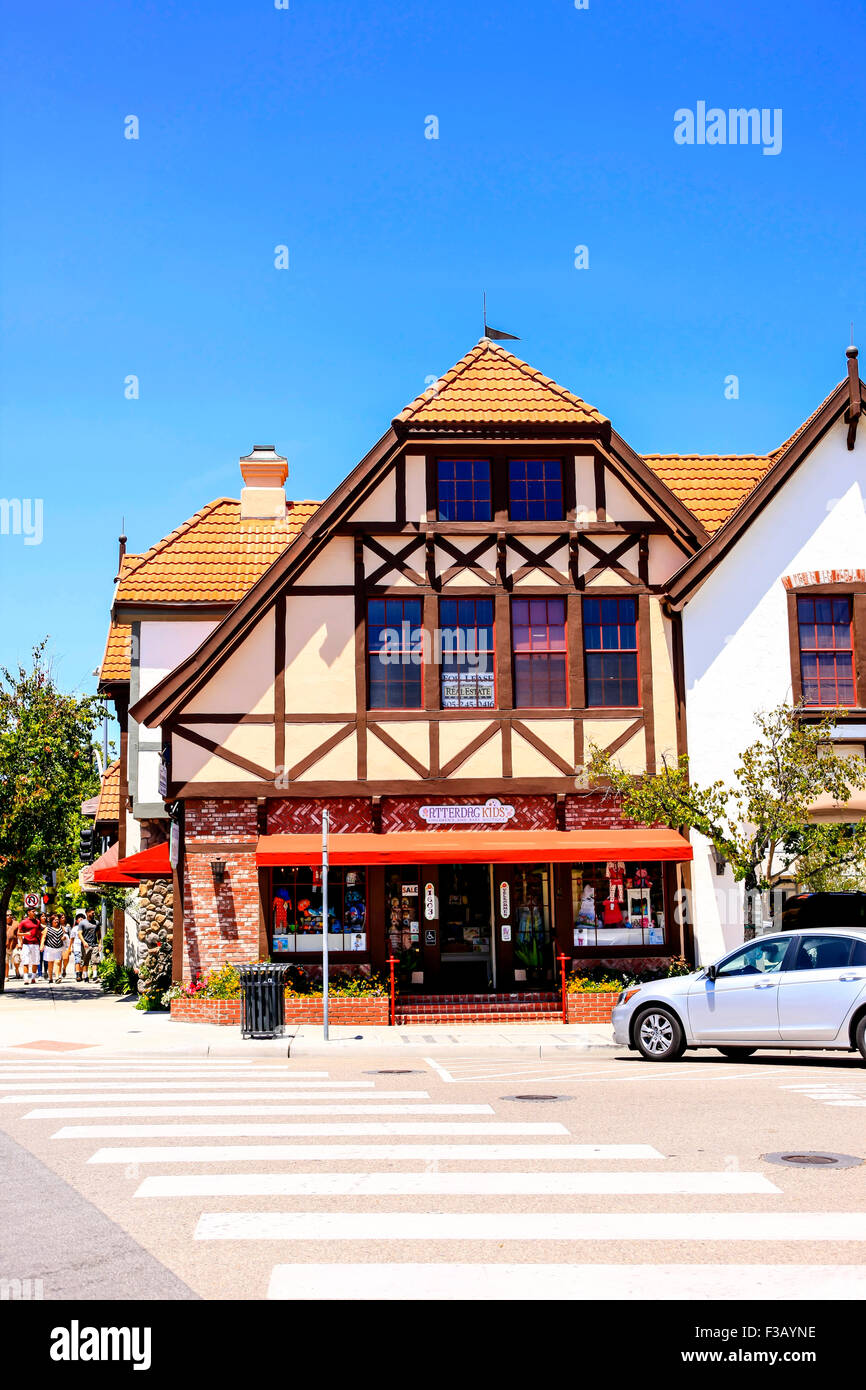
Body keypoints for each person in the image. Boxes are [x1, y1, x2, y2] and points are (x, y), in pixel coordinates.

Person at [17, 907, 42, 984]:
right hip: (26, 944)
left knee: (35, 961)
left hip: (35, 944)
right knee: (26, 961)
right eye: (33, 911)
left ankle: (33, 978)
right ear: (28, 912)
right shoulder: (23, 922)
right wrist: (25, 934)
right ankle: (26, 978)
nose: (34, 913)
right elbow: (18, 933)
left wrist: (41, 943)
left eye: (35, 911)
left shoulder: (37, 922)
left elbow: (40, 931)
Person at [40, 913, 66, 984]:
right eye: (55, 920)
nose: (56, 921)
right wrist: (42, 945)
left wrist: (64, 938)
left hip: (58, 948)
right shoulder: (47, 928)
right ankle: (51, 977)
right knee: (50, 963)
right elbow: (44, 937)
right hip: (49, 948)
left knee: (57, 962)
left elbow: (65, 936)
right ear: (51, 921)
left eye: (57, 920)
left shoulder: (62, 928)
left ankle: (57, 977)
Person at [79, 910, 100, 982]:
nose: (94, 914)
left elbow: (99, 934)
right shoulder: (82, 923)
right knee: (85, 961)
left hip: (94, 944)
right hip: (86, 945)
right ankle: (86, 976)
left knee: (95, 960)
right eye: (92, 913)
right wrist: (84, 942)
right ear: (87, 913)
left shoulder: (96, 923)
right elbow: (80, 934)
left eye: (94, 913)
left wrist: (100, 943)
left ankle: (95, 976)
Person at [5, 911, 22, 980]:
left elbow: (19, 934)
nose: (9, 916)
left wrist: (20, 943)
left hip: (14, 945)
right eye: (7, 915)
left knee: (16, 961)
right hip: (4, 947)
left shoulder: (16, 923)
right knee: (6, 962)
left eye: (10, 915)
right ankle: (6, 976)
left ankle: (17, 971)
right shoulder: (2, 923)